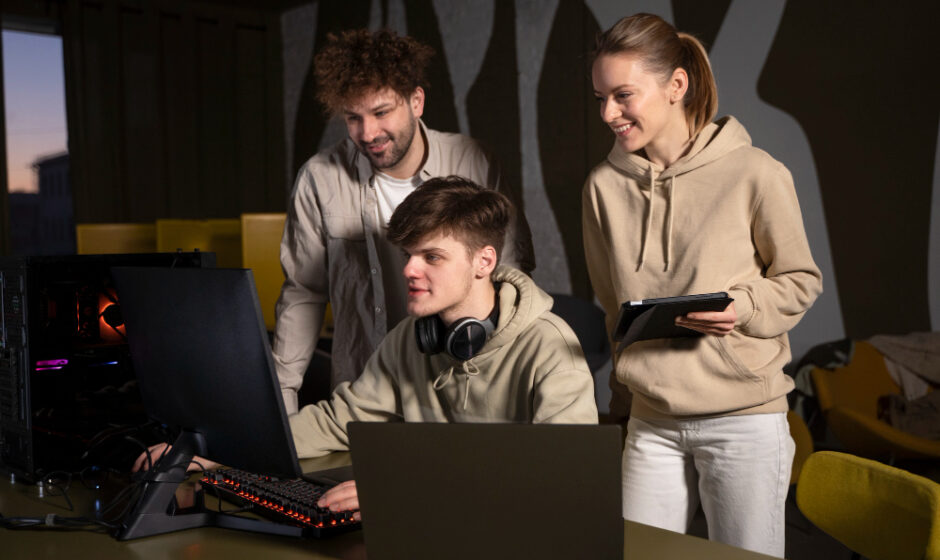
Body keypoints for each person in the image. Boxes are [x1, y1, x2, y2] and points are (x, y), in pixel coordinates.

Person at [582, 13, 822, 557]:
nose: (608, 114)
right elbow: (611, 307)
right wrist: (623, 403)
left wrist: (743, 307)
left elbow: (801, 281)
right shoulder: (602, 188)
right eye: (600, 98)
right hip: (650, 422)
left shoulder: (755, 172)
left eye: (622, 95)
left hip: (743, 421)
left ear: (676, 86)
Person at [291, 176, 597, 518]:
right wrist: (233, 450)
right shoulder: (408, 337)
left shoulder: (550, 347)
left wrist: (401, 488)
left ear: (484, 261)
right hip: (431, 522)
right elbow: (340, 420)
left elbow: (566, 474)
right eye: (408, 255)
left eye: (432, 257)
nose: (409, 269)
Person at [275, 28, 535, 414]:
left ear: (416, 101)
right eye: (353, 118)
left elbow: (512, 275)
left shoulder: (474, 161)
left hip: (459, 394)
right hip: (360, 395)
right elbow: (303, 293)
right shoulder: (319, 178)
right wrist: (281, 399)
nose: (368, 133)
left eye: (381, 113)